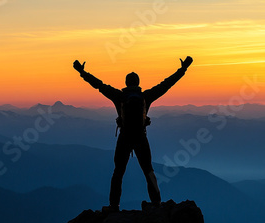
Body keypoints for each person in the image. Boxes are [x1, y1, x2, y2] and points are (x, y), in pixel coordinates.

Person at [73, 56, 193, 212]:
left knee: (118, 172)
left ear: (126, 83)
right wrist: (183, 69)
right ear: (138, 83)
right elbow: (166, 84)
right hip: (140, 137)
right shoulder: (146, 97)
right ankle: (156, 203)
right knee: (148, 170)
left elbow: (98, 85)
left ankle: (114, 206)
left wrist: (82, 72)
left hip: (124, 137)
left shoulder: (119, 96)